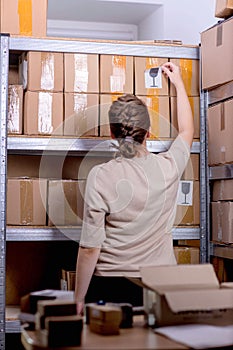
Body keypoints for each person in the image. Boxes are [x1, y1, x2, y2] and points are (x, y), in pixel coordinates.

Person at [74, 62, 194, 315]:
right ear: (148, 133)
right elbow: (186, 130)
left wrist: (78, 298)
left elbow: (89, 248)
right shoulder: (168, 167)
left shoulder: (100, 176)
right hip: (160, 286)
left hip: (111, 286)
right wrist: (179, 85)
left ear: (111, 132)